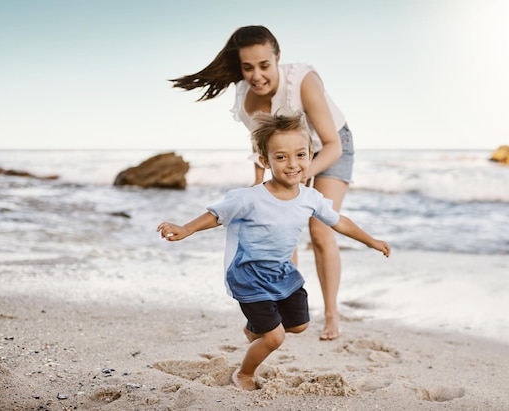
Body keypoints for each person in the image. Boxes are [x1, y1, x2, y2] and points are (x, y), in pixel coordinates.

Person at [157, 112, 390, 391]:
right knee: (275, 338)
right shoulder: (249, 198)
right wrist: (186, 228)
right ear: (265, 161)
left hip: (282, 272)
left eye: (300, 155)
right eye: (281, 157)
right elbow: (217, 215)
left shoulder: (310, 198)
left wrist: (369, 240)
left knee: (300, 325)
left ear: (311, 155)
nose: (292, 164)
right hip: (247, 275)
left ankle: (253, 329)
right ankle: (244, 373)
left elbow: (340, 221)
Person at [170, 25, 354, 340]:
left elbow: (332, 144)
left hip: (330, 148)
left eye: (264, 65)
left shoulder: (303, 81)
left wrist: (303, 175)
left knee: (320, 230)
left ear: (277, 58)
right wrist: (260, 189)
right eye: (248, 67)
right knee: (283, 225)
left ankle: (332, 315)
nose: (257, 75)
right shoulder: (248, 102)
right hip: (286, 159)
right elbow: (262, 150)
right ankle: (282, 306)